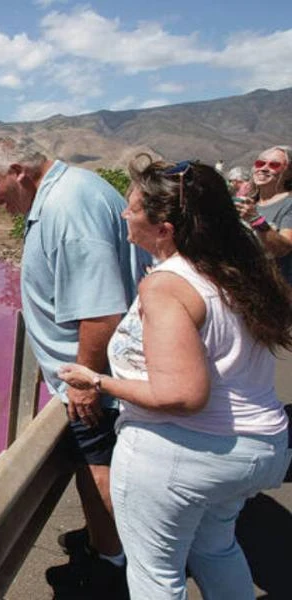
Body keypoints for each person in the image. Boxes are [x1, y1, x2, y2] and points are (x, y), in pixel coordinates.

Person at [59, 156, 292, 599]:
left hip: (183, 453)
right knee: (216, 549)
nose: (125, 215)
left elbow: (182, 395)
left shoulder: (167, 285)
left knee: (156, 576)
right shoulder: (236, 268)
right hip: (256, 447)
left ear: (163, 229)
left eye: (132, 209)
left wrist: (96, 380)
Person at [0, 138, 149, 595]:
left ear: (18, 172)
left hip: (94, 379)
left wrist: (85, 382)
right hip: (88, 375)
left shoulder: (67, 208)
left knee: (101, 470)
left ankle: (119, 569)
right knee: (94, 466)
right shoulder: (64, 194)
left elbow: (101, 311)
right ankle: (105, 547)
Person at [235, 146, 292, 284]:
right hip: (246, 286)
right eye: (260, 163)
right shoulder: (247, 203)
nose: (264, 168)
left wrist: (255, 220)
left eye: (274, 165)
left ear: (289, 173)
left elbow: (283, 249)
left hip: (279, 289)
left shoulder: (288, 205)